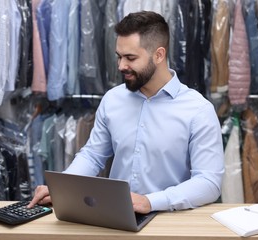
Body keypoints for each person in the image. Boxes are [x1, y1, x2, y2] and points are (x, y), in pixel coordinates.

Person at [28, 11, 224, 214]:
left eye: (130, 58)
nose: (121, 66)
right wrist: (62, 188)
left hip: (170, 220)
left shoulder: (198, 110)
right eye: (119, 57)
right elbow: (93, 155)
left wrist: (150, 202)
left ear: (159, 55)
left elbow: (209, 182)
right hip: (116, 218)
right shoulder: (113, 99)